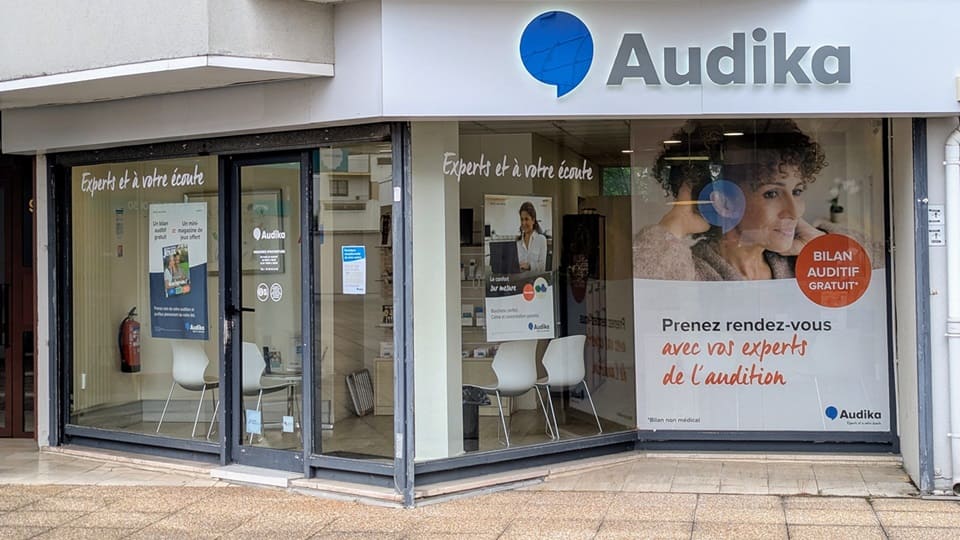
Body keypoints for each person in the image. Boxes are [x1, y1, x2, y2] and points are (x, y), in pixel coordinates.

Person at [633, 119, 833, 281]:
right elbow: (646, 300)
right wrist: (677, 220)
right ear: (724, 202)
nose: (795, 211)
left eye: (797, 191)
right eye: (772, 193)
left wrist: (821, 248)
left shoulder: (803, 266)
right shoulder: (689, 272)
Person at [516, 201, 548, 272]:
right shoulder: (518, 242)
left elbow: (542, 267)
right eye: (522, 219)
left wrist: (529, 266)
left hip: (535, 278)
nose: (523, 223)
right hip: (519, 278)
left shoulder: (541, 239)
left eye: (526, 219)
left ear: (533, 220)